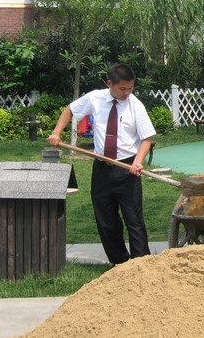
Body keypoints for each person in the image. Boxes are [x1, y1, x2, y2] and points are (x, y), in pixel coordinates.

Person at [47, 63, 155, 265]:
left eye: (131, 88)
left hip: (128, 169)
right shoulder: (95, 98)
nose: (127, 93)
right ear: (110, 84)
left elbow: (147, 139)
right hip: (102, 168)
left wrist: (138, 163)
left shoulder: (135, 105)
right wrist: (56, 132)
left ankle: (141, 264)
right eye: (123, 88)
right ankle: (119, 263)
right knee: (106, 221)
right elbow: (70, 110)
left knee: (134, 220)